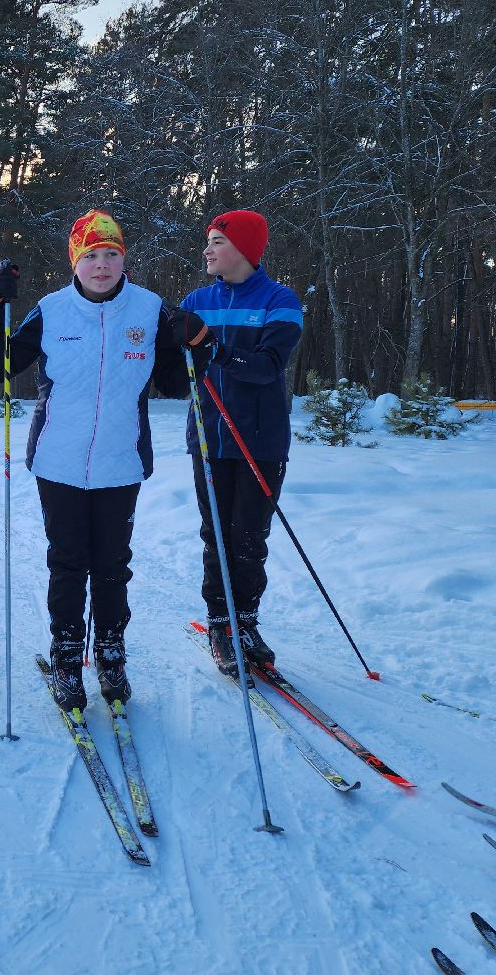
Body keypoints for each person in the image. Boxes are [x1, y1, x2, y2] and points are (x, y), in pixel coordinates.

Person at [0, 211, 187, 712]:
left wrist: (188, 340)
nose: (102, 265)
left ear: (124, 259)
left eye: (111, 254)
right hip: (59, 462)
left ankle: (111, 655)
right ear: (75, 260)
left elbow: (177, 386)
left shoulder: (149, 308)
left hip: (121, 461)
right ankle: (68, 657)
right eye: (91, 255)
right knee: (68, 564)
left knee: (113, 566)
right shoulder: (52, 310)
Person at [168, 210, 303, 675]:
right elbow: (173, 371)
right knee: (217, 536)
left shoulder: (279, 299)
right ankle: (221, 623)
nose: (207, 250)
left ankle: (246, 621)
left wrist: (214, 347)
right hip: (209, 438)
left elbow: (267, 367)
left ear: (244, 249)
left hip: (259, 441)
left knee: (249, 537)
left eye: (217, 242)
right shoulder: (196, 299)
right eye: (207, 241)